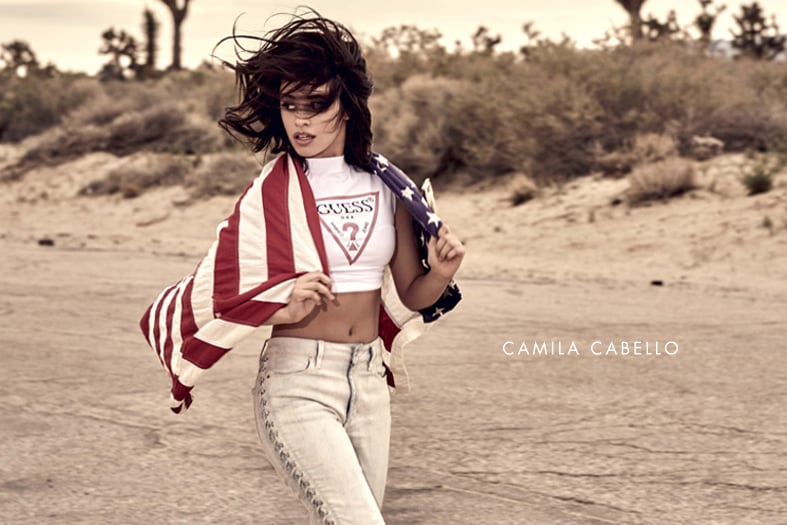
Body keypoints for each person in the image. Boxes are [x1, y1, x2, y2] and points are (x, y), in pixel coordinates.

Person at [141, 9, 464, 525]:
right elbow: (227, 289)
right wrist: (283, 306)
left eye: (317, 105)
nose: (301, 120)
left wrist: (442, 272)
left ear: (349, 108)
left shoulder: (386, 186)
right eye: (291, 105)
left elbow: (411, 290)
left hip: (367, 383)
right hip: (297, 384)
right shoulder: (273, 192)